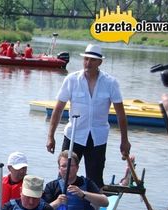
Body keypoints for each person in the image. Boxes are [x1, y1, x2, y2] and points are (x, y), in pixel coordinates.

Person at [46, 43, 132, 188]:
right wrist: (50, 136)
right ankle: (61, 206)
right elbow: (58, 109)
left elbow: (121, 114)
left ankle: (94, 208)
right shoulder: (72, 80)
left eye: (92, 60)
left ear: (100, 62)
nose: (88, 63)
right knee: (65, 176)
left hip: (97, 137)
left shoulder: (110, 83)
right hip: (74, 135)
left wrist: (124, 140)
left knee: (95, 179)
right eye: (86, 59)